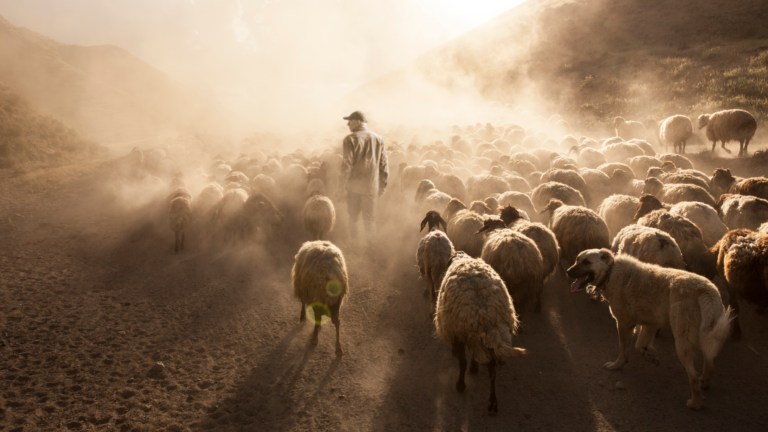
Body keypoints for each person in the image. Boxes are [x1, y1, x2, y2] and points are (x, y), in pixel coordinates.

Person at [340, 110, 388, 243]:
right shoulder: (378, 139)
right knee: (369, 220)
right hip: (371, 187)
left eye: (350, 121)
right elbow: (384, 165)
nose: (348, 124)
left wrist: (341, 188)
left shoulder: (350, 139)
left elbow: (346, 166)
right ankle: (371, 249)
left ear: (358, 121)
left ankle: (354, 247)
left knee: (353, 219)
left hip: (353, 188)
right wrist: (382, 186)